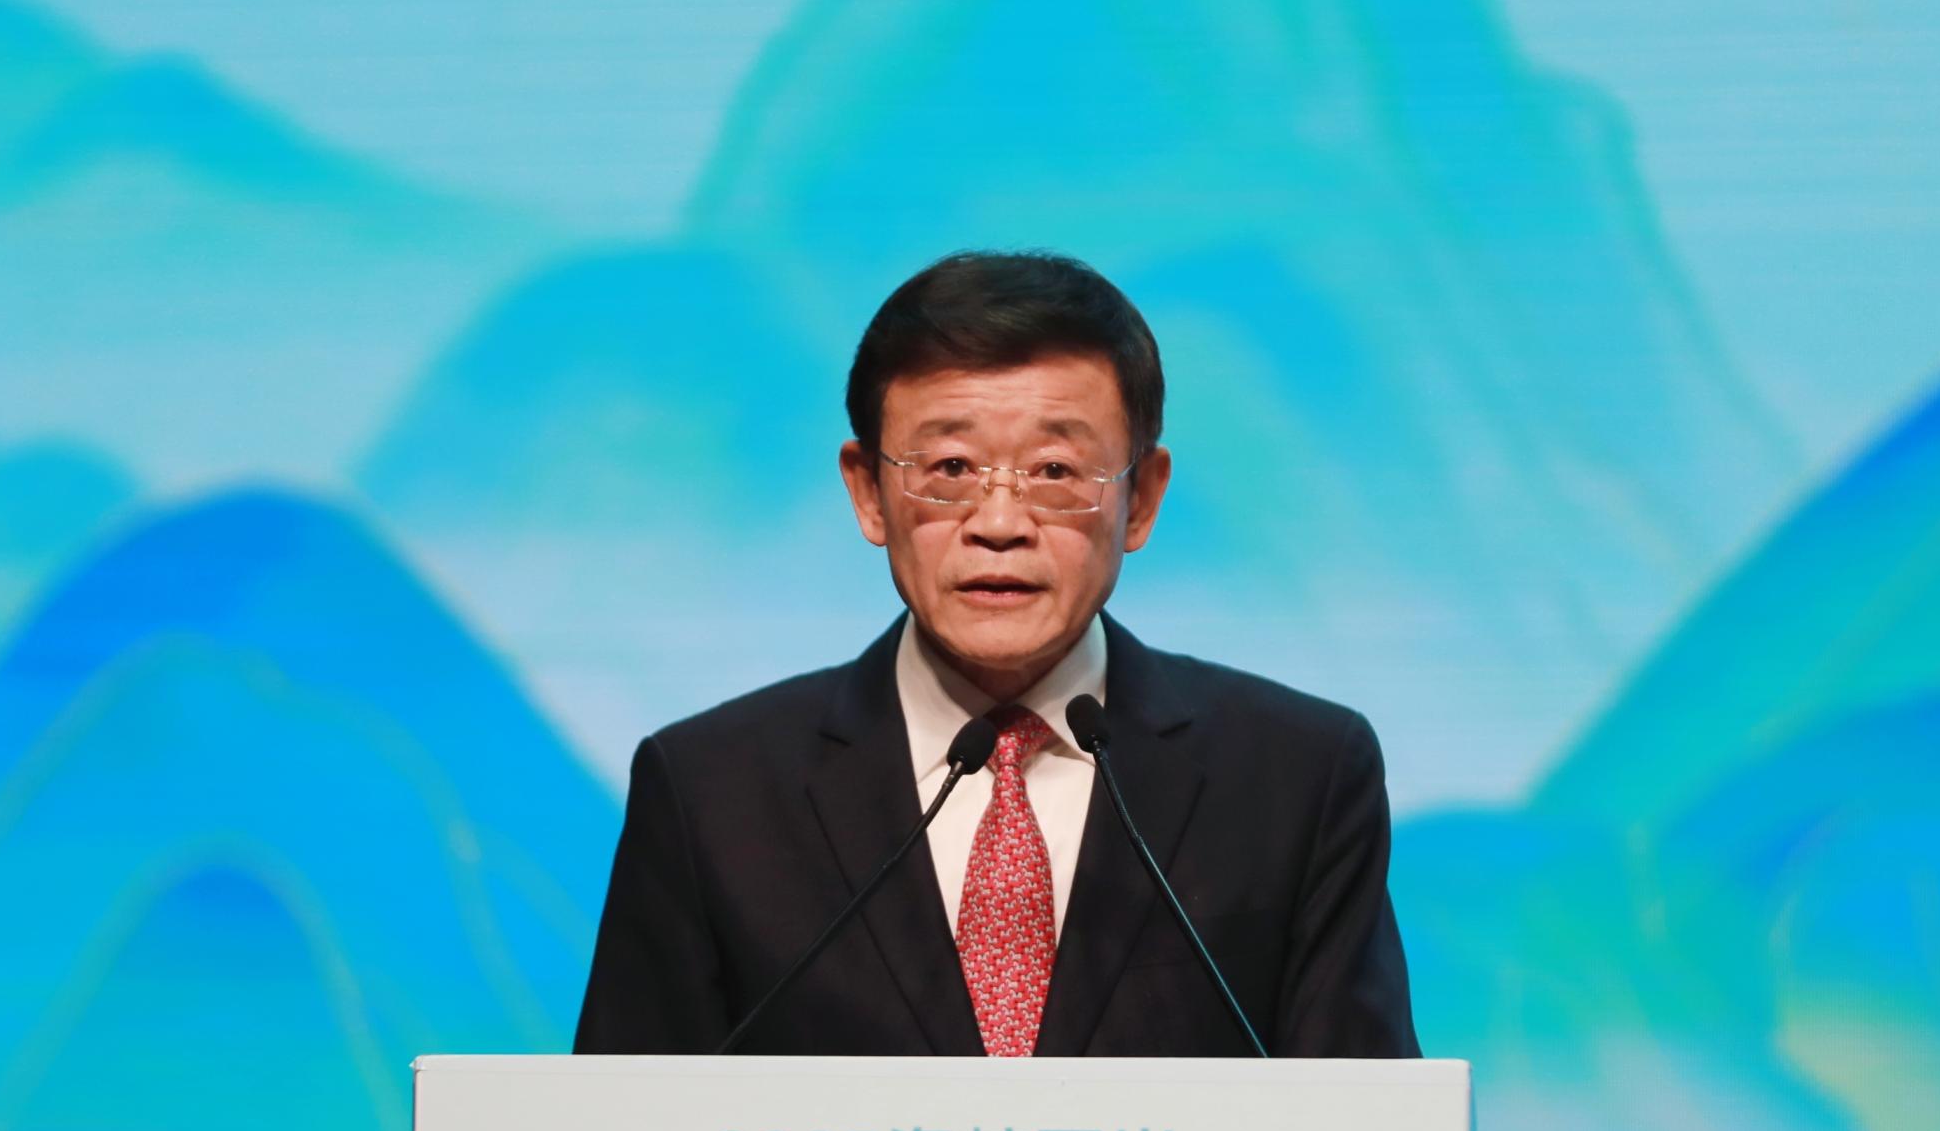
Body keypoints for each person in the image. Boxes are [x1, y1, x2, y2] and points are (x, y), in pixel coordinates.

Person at [574, 251, 1417, 1058]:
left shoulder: (1296, 777)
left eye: (1055, 470)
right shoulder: (711, 791)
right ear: (868, 492)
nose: (1001, 524)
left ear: (1141, 499)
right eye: (950, 467)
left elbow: (1371, 1128)